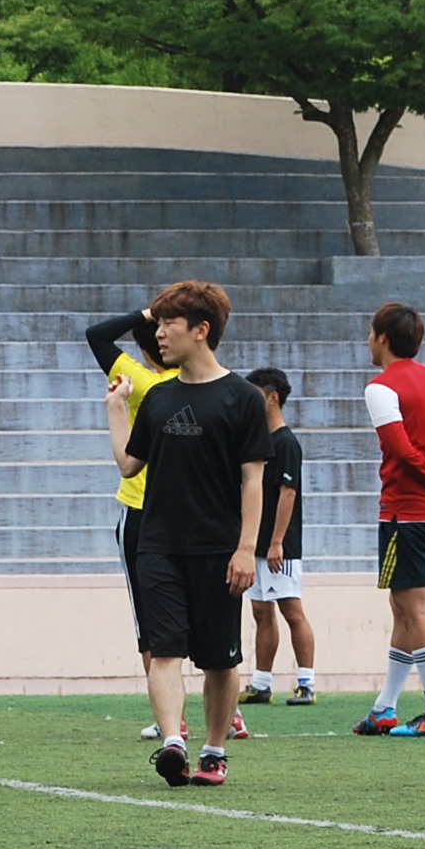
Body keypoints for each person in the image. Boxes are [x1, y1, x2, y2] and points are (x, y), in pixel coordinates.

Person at [106, 280, 269, 787]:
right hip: (157, 545)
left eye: (168, 324)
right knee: (164, 650)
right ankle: (173, 742)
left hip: (219, 549)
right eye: (157, 324)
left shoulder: (243, 398)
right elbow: (130, 465)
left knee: (220, 660)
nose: (158, 334)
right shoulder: (158, 397)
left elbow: (253, 481)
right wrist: (116, 411)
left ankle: (214, 751)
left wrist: (246, 549)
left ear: (201, 330)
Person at [85, 309, 244, 740]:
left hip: (148, 514)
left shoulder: (148, 386)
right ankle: (215, 719)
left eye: (167, 327)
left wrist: (148, 312)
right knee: (210, 635)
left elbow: (97, 335)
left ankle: (175, 721)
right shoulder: (196, 390)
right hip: (195, 522)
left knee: (154, 628)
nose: (161, 335)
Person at [352, 302, 425, 739]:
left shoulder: (381, 388)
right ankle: (385, 706)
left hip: (407, 511)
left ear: (383, 337)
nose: (368, 340)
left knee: (416, 608)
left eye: (371, 332)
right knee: (403, 605)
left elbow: (401, 450)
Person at [239, 366, 317, 708]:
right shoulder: (259, 440)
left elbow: (288, 493)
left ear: (272, 397)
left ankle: (307, 683)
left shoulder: (286, 443)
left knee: (291, 609)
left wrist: (276, 542)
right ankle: (262, 683)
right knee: (261, 610)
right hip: (257, 544)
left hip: (279, 546)